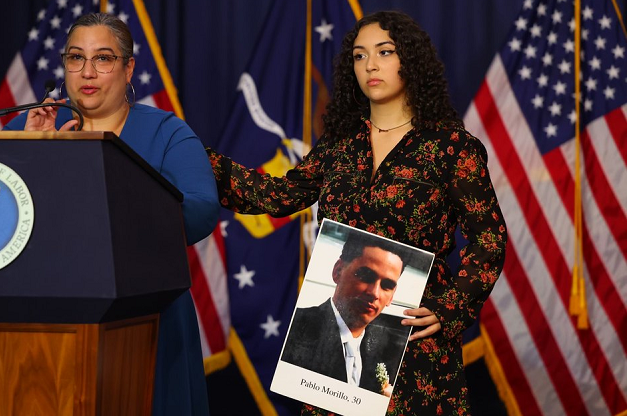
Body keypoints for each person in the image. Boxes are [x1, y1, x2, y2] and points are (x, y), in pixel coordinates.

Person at [208, 10, 508, 416]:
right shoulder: (339, 146)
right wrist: (190, 155)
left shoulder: (452, 148)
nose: (370, 64)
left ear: (411, 61)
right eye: (359, 55)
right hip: (331, 349)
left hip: (414, 343)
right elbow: (278, 196)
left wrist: (451, 307)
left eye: (384, 52)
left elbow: (489, 240)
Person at [3, 13, 219, 415]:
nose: (87, 72)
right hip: (45, 315)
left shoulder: (166, 133)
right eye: (75, 58)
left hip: (146, 318)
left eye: (103, 58)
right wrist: (28, 153)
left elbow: (201, 210)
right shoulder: (29, 125)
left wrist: (119, 200)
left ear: (128, 67)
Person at [280, 233, 410, 396]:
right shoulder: (294, 327)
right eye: (365, 275)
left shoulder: (388, 353)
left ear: (392, 296)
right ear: (338, 271)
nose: (374, 293)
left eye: (387, 285)